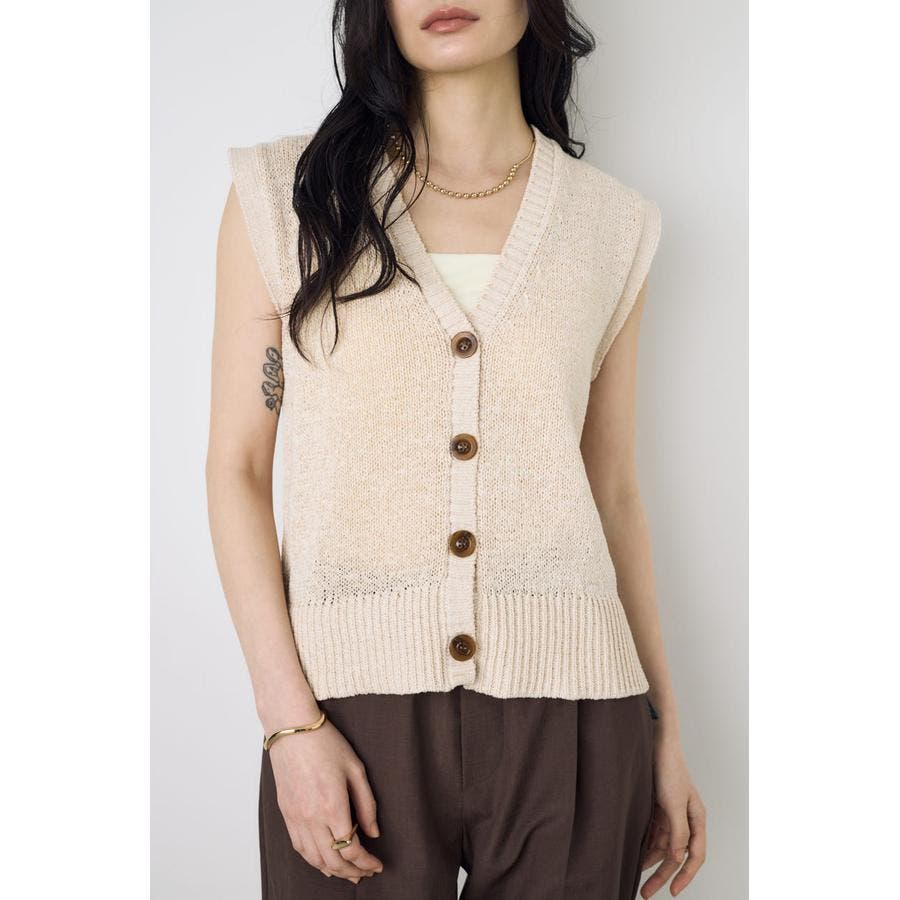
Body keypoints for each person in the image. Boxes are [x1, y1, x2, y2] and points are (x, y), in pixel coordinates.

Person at [206, 1, 707, 897]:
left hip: (577, 714)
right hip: (347, 716)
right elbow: (237, 470)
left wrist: (664, 728)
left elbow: (613, 490)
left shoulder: (612, 225)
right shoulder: (286, 197)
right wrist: (289, 725)